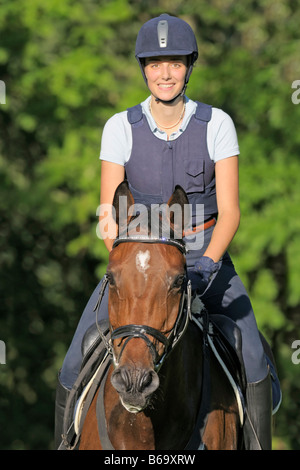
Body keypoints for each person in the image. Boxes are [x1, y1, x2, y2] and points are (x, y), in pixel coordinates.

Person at [55, 14, 279, 450]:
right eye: (155, 64)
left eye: (174, 63)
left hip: (203, 256)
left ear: (189, 67)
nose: (164, 73)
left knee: (253, 360)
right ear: (144, 69)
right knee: (72, 363)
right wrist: (125, 264)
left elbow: (230, 211)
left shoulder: (217, 124)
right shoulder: (120, 127)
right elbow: (108, 214)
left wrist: (209, 264)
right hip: (136, 264)